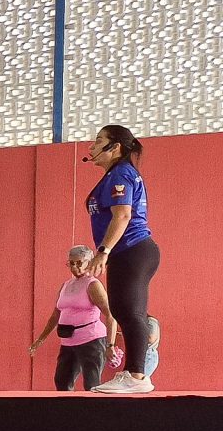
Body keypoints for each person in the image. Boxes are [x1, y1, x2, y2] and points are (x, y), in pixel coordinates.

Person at [83, 125, 159, 393]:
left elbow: (123, 215)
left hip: (133, 249)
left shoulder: (121, 173)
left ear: (115, 147)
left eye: (98, 141)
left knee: (128, 310)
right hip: (125, 252)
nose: (92, 147)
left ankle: (137, 375)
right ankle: (135, 367)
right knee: (120, 309)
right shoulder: (113, 175)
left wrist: (103, 251)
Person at [27, 248, 113, 393]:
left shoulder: (93, 285)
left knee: (91, 383)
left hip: (91, 340)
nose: (75, 267)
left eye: (79, 263)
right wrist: (40, 340)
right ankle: (68, 407)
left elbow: (110, 314)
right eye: (71, 263)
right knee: (62, 381)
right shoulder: (66, 285)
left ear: (89, 262)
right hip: (68, 340)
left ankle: (93, 407)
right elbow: (55, 315)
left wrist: (110, 345)